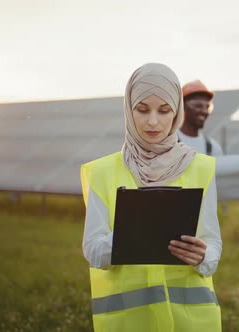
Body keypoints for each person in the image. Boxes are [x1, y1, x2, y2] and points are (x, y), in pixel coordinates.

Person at [80, 63, 222, 331]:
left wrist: (204, 256)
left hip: (190, 323)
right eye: (142, 110)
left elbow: (212, 242)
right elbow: (93, 251)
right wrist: (130, 236)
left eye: (164, 110)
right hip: (130, 323)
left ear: (176, 112)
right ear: (128, 109)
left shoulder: (201, 167)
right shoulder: (99, 172)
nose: (153, 121)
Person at [177, 80, 223, 156]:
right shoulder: (167, 145)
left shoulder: (213, 149)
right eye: (198, 106)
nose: (204, 111)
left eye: (207, 107)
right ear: (183, 106)